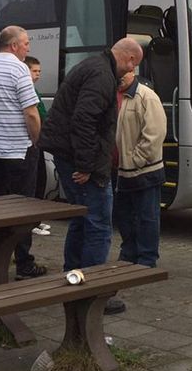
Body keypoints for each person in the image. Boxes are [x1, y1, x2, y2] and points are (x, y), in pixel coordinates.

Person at [39, 37, 142, 295]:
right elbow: (84, 120)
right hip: (85, 164)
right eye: (134, 65)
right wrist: (85, 165)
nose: (132, 71)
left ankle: (73, 278)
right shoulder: (102, 75)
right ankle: (93, 292)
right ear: (129, 59)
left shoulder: (93, 66)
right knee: (98, 225)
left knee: (80, 219)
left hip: (69, 155)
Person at [0, 26, 47, 278]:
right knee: (22, 208)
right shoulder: (19, 69)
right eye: (26, 43)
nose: (28, 47)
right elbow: (31, 112)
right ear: (14, 45)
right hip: (19, 149)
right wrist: (35, 139)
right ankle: (24, 263)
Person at [114, 71, 166, 268]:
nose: (120, 77)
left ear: (132, 72)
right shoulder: (113, 94)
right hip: (122, 171)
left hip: (145, 171)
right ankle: (129, 253)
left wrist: (136, 159)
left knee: (147, 217)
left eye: (125, 73)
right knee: (124, 217)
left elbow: (155, 132)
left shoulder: (146, 96)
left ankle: (147, 259)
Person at [23, 56, 51, 235]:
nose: (38, 75)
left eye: (39, 72)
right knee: (33, 181)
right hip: (32, 141)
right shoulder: (27, 91)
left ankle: (36, 219)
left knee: (41, 179)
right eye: (34, 71)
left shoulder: (35, 90)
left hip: (39, 140)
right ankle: (30, 222)